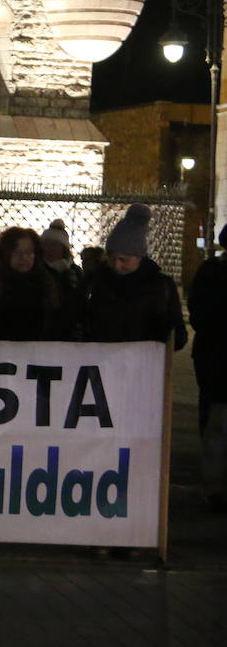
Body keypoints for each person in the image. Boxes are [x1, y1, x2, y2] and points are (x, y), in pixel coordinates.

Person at [84, 204, 187, 350]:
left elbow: (178, 338)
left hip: (142, 366)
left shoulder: (161, 286)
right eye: (112, 259)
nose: (117, 265)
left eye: (124, 260)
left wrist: (164, 328)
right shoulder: (94, 282)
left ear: (139, 257)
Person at [0, 226, 80, 341]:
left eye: (29, 251)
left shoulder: (49, 283)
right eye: (16, 251)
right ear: (5, 253)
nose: (24, 257)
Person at [188, 224, 227, 513]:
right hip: (217, 359)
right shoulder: (212, 273)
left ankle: (214, 488)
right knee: (216, 424)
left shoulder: (209, 271)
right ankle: (214, 488)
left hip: (213, 359)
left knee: (214, 425)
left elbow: (197, 311)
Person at [39, 219, 85, 298]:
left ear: (64, 248)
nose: (49, 248)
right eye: (45, 244)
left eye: (54, 245)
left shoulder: (75, 272)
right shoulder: (36, 269)